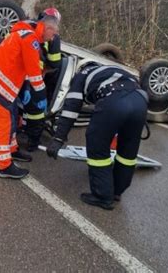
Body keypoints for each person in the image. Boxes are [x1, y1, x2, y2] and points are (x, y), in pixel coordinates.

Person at [46, 59, 148, 209]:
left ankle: (102, 196)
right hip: (140, 101)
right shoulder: (112, 70)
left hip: (113, 99)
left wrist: (58, 139)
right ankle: (116, 191)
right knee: (128, 152)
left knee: (97, 146)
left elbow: (70, 110)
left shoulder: (81, 77)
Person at [0, 15, 60, 179]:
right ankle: (4, 166)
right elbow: (34, 72)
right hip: (0, 83)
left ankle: (12, 150)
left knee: (13, 116)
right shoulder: (31, 40)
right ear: (47, 28)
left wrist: (27, 88)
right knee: (5, 122)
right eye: (54, 33)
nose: (53, 37)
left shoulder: (26, 33)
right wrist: (42, 96)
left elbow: (25, 68)